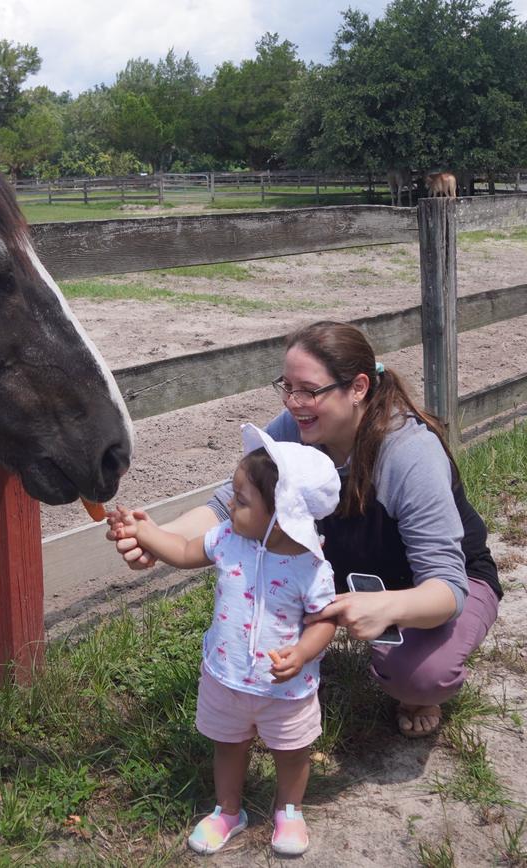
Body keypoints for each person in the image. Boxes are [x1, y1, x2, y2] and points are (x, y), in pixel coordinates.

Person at [110, 321, 502, 739]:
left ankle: (419, 692)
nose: (295, 402)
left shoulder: (410, 455)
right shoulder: (295, 430)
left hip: (436, 584)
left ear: (358, 388)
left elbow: (447, 589)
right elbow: (232, 503)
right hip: (349, 575)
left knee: (420, 675)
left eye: (310, 390)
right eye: (287, 386)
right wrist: (158, 535)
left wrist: (386, 607)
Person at [110, 422, 340, 856]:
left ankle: (288, 810)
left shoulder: (311, 567)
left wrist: (304, 651)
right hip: (226, 675)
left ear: (280, 514)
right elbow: (180, 551)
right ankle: (228, 811)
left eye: (241, 499)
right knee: (228, 745)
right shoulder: (226, 538)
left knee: (291, 751)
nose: (229, 504)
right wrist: (144, 531)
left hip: (284, 687)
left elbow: (324, 619)